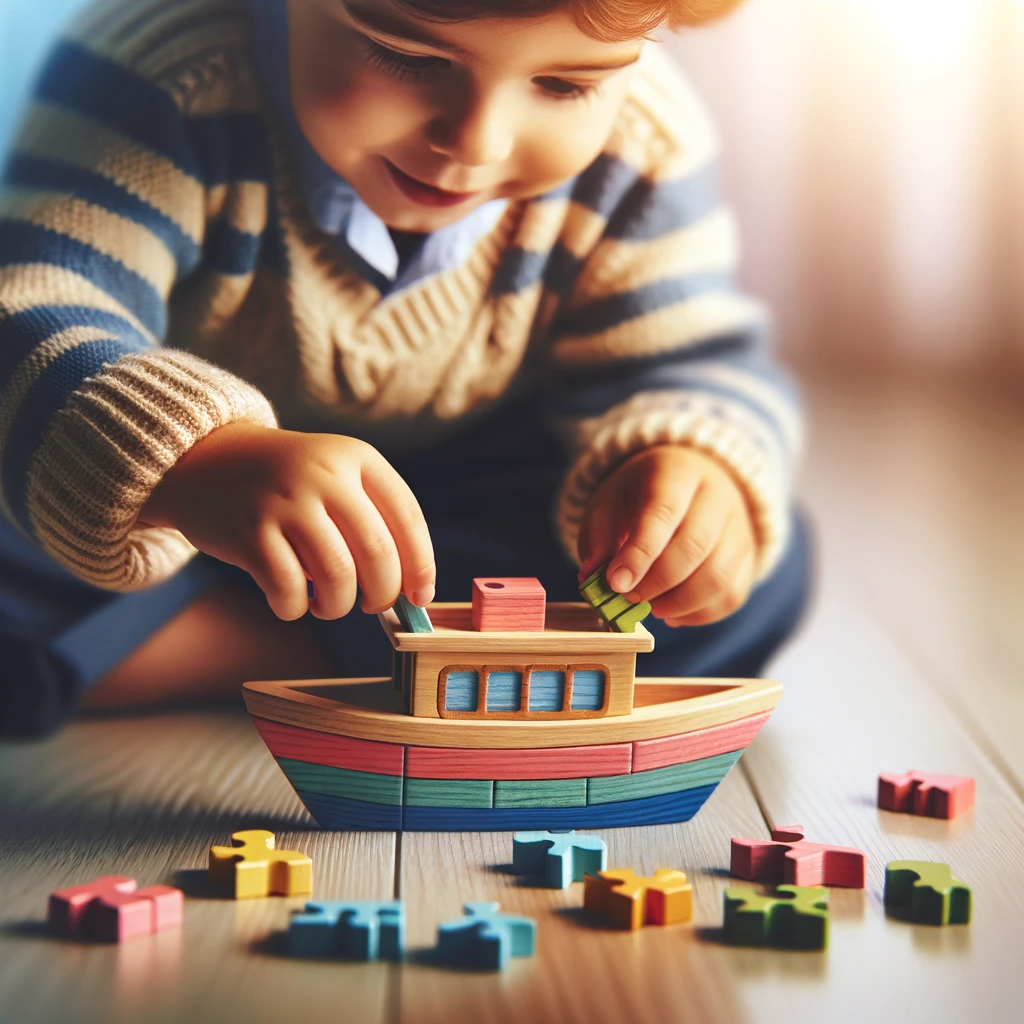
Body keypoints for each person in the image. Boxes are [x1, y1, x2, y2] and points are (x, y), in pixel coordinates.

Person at [0, 0, 810, 738]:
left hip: (463, 500)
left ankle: (261, 651)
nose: (476, 142)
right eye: (408, 58)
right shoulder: (164, 77)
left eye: (564, 86)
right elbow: (37, 312)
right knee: (34, 484)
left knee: (725, 561)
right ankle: (382, 660)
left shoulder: (646, 141)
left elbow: (692, 361)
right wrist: (194, 461)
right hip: (202, 513)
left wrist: (686, 460)